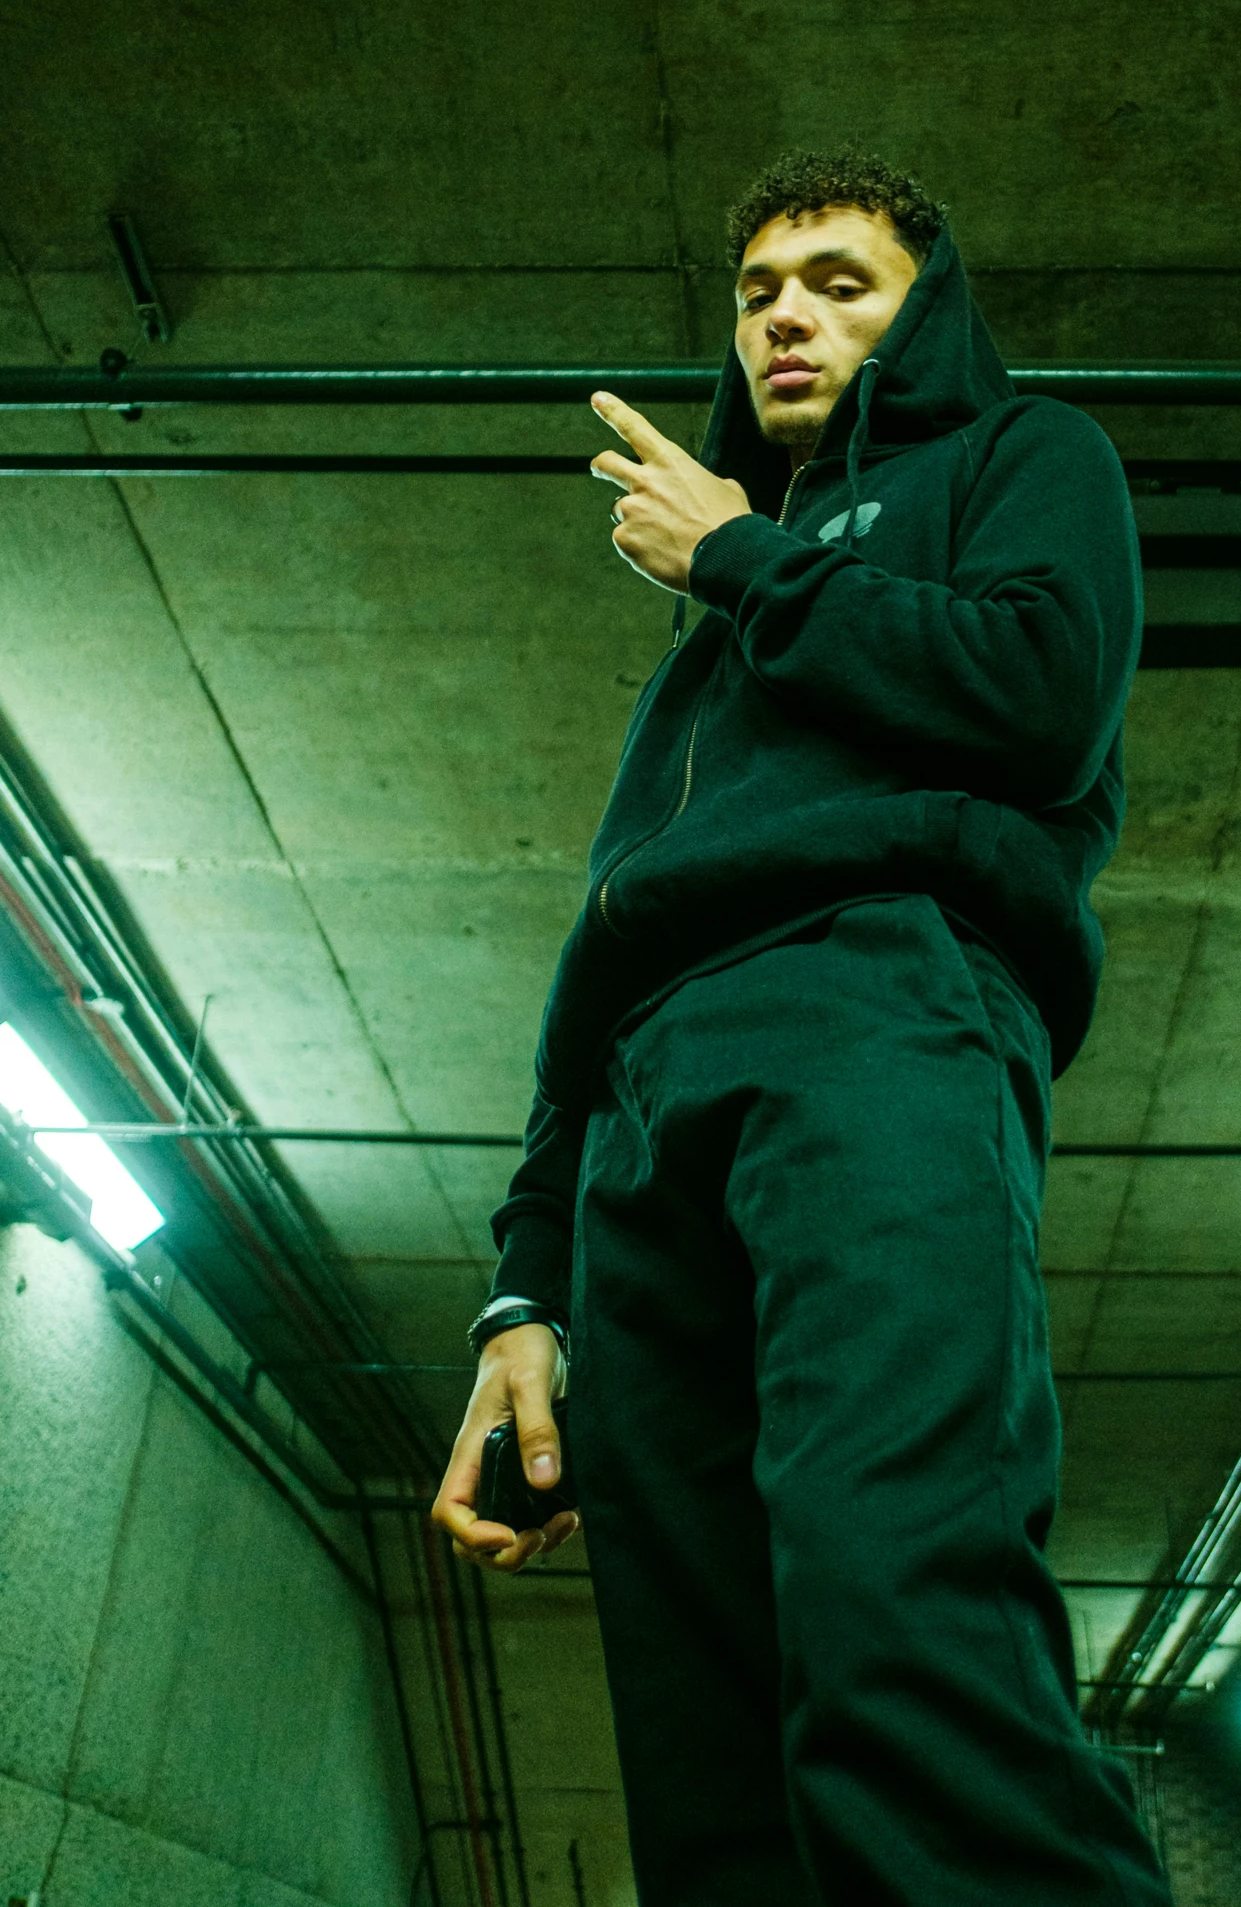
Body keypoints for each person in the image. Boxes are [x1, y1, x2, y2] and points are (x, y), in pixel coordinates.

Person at [433, 149, 1172, 1906]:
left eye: (838, 280)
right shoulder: (703, 655)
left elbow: (1039, 697)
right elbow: (610, 928)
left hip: (881, 1008)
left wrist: (748, 562)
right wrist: (526, 1283)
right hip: (644, 1107)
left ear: (923, 308)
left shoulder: (1017, 459)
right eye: (760, 286)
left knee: (890, 1608)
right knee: (701, 1720)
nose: (785, 312)